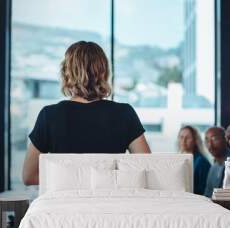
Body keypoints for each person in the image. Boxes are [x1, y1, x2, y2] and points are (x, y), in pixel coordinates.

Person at [23, 41, 151, 185]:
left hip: (66, 205)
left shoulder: (50, 115)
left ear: (66, 72)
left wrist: (75, 181)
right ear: (104, 73)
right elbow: (146, 169)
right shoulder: (124, 113)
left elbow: (29, 176)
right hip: (111, 204)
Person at [203, 126, 230, 197]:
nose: (210, 145)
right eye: (207, 140)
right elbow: (208, 195)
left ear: (225, 139)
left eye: (214, 139)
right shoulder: (213, 168)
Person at [177, 125, 211, 195]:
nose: (184, 140)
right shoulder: (178, 159)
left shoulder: (201, 162)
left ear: (195, 140)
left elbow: (205, 190)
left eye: (188, 137)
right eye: (181, 137)